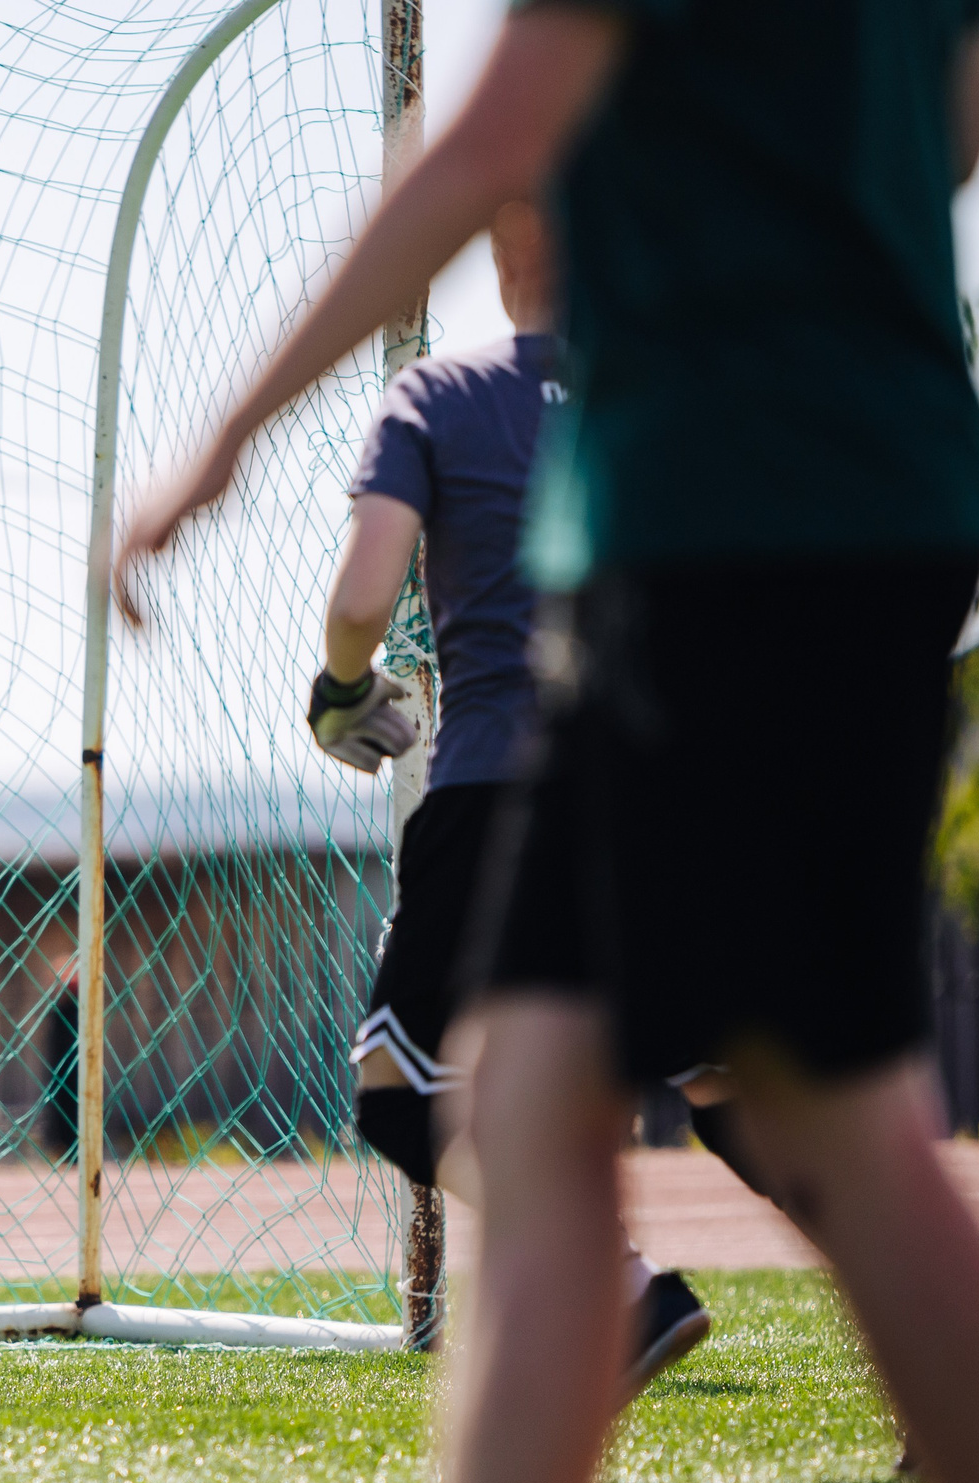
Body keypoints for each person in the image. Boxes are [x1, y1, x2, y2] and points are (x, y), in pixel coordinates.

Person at [116, 6, 979, 1483]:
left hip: (716, 512)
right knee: (649, 1104)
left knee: (721, 1119)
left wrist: (218, 447)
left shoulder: (448, 394)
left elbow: (481, 145)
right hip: (890, 488)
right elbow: (954, 137)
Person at [321, 199, 766, 1392]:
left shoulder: (438, 397)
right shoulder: (671, 394)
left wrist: (340, 692)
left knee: (395, 1091)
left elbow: (365, 596)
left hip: (504, 793)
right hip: (669, 799)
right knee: (725, 1082)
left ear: (500, 234)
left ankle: (617, 1288)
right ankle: (935, 1341)